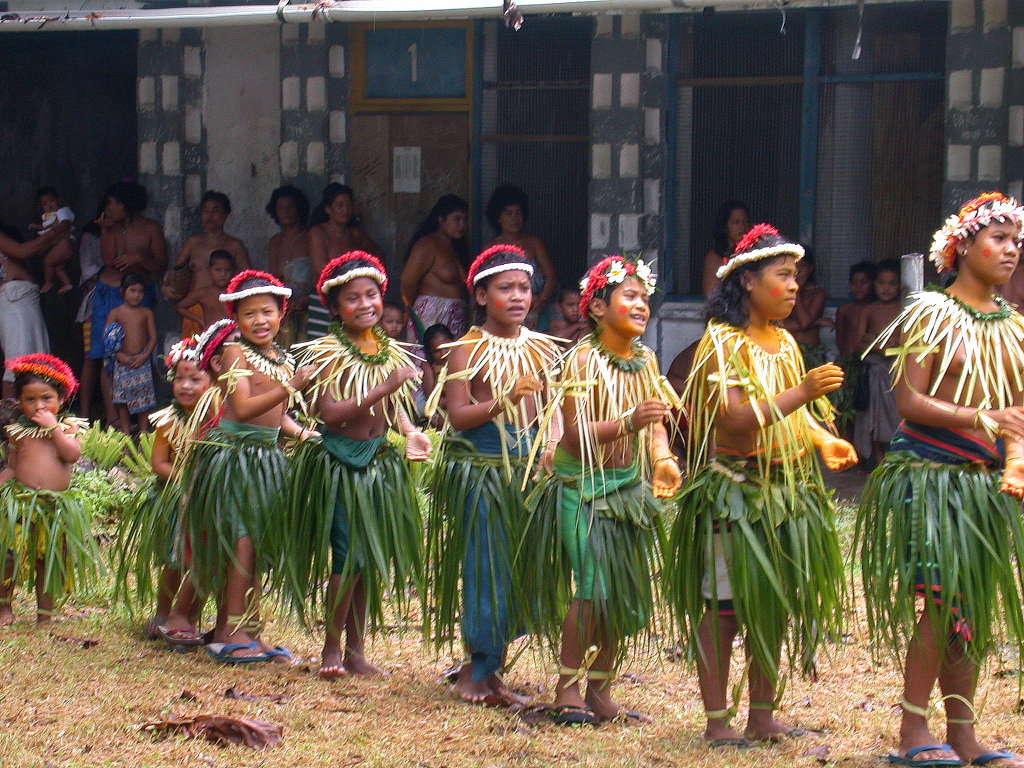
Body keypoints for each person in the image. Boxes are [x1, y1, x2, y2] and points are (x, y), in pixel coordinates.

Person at [667, 224, 856, 748]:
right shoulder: (722, 345)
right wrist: (804, 391)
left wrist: (822, 440)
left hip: (786, 493)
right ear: (748, 281)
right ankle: (716, 720)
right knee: (724, 608)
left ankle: (764, 713)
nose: (796, 286)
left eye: (797, 276)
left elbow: (794, 417)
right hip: (736, 488)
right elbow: (734, 421)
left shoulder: (787, 341)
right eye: (784, 275)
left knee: (774, 602)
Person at [857, 192, 1024, 768]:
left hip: (983, 484)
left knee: (971, 606)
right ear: (962, 247)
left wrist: (1016, 456)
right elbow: (907, 401)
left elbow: (1017, 414)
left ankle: (964, 732)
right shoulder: (929, 313)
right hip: (928, 477)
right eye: (998, 238)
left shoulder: (1013, 327)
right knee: (939, 603)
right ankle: (911, 731)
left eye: (1015, 240)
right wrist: (982, 418)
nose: (1011, 249)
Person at [522, 255, 682, 726]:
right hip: (582, 489)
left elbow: (654, 423)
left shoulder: (646, 361)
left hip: (627, 489)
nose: (641, 306)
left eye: (645, 298)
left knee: (624, 593)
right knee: (592, 588)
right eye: (629, 296)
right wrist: (628, 422)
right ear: (596, 308)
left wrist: (663, 458)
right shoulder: (582, 359)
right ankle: (568, 688)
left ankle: (601, 689)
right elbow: (572, 436)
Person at [426, 244, 563, 707]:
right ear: (481, 296)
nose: (518, 296)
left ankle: (493, 670)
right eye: (505, 288)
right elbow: (458, 415)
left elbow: (551, 409)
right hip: (481, 471)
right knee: (486, 567)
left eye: (525, 287)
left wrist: (550, 448)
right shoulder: (464, 348)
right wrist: (504, 400)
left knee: (521, 569)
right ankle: (474, 670)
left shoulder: (542, 347)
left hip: (525, 473)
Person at [283, 252, 429, 678]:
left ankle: (356, 651)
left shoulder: (388, 350)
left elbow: (397, 406)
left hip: (378, 462)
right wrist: (383, 386)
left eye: (372, 295)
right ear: (333, 307)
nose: (365, 304)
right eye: (352, 298)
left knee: (366, 559)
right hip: (340, 463)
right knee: (346, 557)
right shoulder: (325, 353)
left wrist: (409, 431)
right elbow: (328, 414)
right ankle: (331, 649)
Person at [176, 270, 314, 663]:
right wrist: (293, 386)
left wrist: (304, 434)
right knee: (242, 543)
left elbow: (277, 417)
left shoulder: (281, 358)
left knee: (261, 545)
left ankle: (252, 630)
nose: (259, 320)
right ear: (236, 319)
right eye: (249, 313)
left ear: (281, 315)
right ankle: (228, 631)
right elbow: (242, 407)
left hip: (268, 458)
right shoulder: (236, 354)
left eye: (267, 312)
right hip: (236, 458)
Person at [116, 335, 212, 645]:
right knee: (175, 560)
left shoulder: (219, 420)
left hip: (208, 499)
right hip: (176, 496)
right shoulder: (168, 421)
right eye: (180, 378)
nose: (186, 385)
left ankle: (189, 618)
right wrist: (186, 479)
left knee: (202, 558)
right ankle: (162, 613)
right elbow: (159, 463)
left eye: (195, 378)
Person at [0, 354, 96, 625]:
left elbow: (71, 455)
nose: (39, 406)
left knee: (48, 560)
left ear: (62, 399)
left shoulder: (67, 428)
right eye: (30, 400)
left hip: (53, 508)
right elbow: (12, 467)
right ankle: (4, 608)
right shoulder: (17, 432)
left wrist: (54, 429)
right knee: (8, 557)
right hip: (19, 503)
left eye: (46, 398)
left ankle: (45, 613)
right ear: (19, 402)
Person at [89, 181, 166, 424]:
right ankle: (113, 416)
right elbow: (108, 260)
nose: (108, 207)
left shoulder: (150, 228)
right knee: (108, 352)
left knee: (138, 349)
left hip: (140, 294)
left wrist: (139, 259)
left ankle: (142, 416)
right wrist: (104, 231)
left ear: (128, 204)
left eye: (113, 203)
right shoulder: (111, 229)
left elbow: (160, 265)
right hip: (109, 293)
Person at [164, 190, 250, 335]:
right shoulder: (192, 243)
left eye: (215, 211)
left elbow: (248, 279)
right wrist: (166, 288)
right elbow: (175, 274)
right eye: (205, 211)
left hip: (222, 308)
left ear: (225, 215)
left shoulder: (235, 245)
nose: (210, 216)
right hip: (194, 308)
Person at [308, 184, 383, 339]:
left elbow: (378, 256)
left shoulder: (355, 233)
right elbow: (319, 268)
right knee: (323, 345)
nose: (346, 209)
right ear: (328, 209)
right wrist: (344, 288)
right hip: (325, 299)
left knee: (355, 341)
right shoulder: (318, 232)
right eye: (340, 205)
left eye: (349, 204)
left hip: (354, 299)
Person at [483, 185, 557, 328]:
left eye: (518, 213)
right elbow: (485, 284)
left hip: (537, 310)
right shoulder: (490, 247)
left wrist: (537, 306)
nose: (515, 218)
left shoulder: (534, 243)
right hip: (502, 310)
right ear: (498, 217)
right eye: (508, 214)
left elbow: (551, 277)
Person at [852, 259, 902, 466]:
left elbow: (905, 341)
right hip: (874, 371)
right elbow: (858, 342)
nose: (886, 288)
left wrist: (878, 343)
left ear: (899, 286)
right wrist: (877, 346)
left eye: (892, 283)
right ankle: (879, 459)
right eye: (882, 283)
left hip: (895, 370)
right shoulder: (869, 310)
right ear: (875, 284)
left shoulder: (903, 308)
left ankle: (897, 458)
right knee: (873, 416)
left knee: (895, 414)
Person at [400, 194, 470, 341]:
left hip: (455, 320)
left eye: (465, 220)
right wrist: (409, 311)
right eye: (457, 219)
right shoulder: (427, 244)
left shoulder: (457, 248)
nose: (462, 224)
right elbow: (408, 281)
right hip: (430, 318)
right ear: (441, 220)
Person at [0, 226, 57, 400]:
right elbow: (23, 251)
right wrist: (55, 231)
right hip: (14, 304)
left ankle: (33, 415)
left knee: (38, 360)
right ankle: (9, 420)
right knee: (17, 360)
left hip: (26, 304)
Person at [104, 273, 157, 433]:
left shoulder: (146, 312)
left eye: (140, 291)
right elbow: (107, 336)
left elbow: (153, 338)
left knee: (143, 399)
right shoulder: (116, 312)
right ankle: (126, 433)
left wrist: (144, 355)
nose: (137, 295)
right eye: (132, 291)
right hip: (122, 362)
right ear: (123, 292)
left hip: (141, 362)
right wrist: (119, 355)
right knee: (122, 401)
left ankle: (143, 431)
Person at [266, 185, 313, 346]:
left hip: (310, 310)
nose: (285, 211)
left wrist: (307, 300)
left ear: (299, 209)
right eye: (280, 207)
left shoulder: (311, 237)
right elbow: (273, 280)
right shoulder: (275, 242)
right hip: (284, 311)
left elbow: (320, 275)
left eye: (290, 207)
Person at [782, 250, 831, 368]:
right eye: (795, 265)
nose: (799, 270)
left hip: (811, 353)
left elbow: (804, 322)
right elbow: (779, 324)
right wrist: (815, 322)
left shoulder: (817, 293)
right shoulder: (783, 293)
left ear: (810, 268)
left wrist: (796, 293)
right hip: (788, 352)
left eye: (803, 266)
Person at [29, 186, 75, 295]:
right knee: (58, 269)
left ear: (58, 200)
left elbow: (65, 223)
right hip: (59, 246)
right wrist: (36, 226)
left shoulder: (63, 211)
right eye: (45, 204)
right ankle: (67, 284)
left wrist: (54, 231)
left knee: (47, 262)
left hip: (63, 245)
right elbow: (46, 227)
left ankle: (49, 282)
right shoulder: (47, 217)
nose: (49, 206)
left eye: (52, 201)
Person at [175, 249, 235, 331]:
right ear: (209, 270)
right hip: (212, 335)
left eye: (227, 270)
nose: (223, 274)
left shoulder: (237, 292)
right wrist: (199, 319)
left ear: (233, 271)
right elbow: (179, 307)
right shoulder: (203, 293)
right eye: (218, 270)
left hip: (234, 333)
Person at [701, 200, 751, 298]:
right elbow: (711, 295)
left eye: (746, 222)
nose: (742, 227)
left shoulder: (754, 253)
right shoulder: (714, 257)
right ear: (725, 226)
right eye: (736, 222)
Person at [834, 261, 877, 358]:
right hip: (848, 360)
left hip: (869, 361)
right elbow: (840, 340)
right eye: (853, 282)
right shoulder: (844, 309)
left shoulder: (876, 309)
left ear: (873, 283)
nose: (858, 287)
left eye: (864, 282)